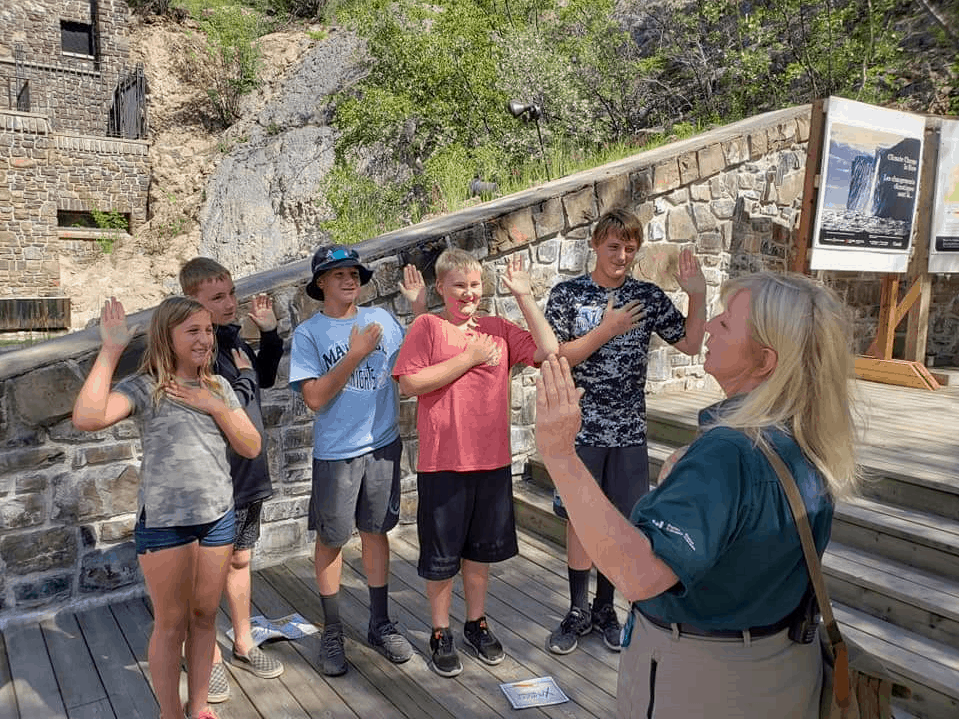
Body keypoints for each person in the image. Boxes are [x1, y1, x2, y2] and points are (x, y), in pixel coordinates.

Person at [535, 271, 860, 719]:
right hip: (780, 667)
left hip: (705, 683)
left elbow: (638, 574)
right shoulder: (805, 431)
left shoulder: (729, 452)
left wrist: (560, 454)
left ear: (765, 360)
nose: (709, 326)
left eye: (725, 322)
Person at [73, 296, 262, 719]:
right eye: (192, 331)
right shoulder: (146, 387)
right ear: (167, 336)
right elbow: (86, 418)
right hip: (165, 526)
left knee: (204, 617)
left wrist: (214, 406)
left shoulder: (219, 387)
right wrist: (110, 350)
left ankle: (198, 709)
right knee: (171, 624)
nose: (204, 339)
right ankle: (170, 713)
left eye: (208, 330)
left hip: (217, 521)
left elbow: (251, 445)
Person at [543, 208, 706, 654]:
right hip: (579, 430)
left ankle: (604, 608)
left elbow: (691, 344)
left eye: (630, 249)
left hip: (629, 432)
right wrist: (608, 328)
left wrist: (698, 295)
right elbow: (557, 358)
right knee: (580, 519)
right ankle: (576, 610)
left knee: (620, 520)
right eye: (613, 246)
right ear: (595, 244)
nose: (621, 256)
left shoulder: (646, 297)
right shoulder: (569, 295)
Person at [392, 248, 559, 678]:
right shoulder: (428, 326)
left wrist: (523, 295)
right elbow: (410, 383)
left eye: (474, 285)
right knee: (442, 557)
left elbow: (548, 349)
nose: (468, 294)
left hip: (491, 462)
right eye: (459, 286)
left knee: (480, 554)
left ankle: (476, 623)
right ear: (440, 289)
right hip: (443, 463)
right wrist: (467, 359)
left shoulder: (498, 329)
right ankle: (440, 631)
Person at [288, 245, 427, 677]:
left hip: (383, 445)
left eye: (354, 273)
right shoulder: (309, 334)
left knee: (376, 532)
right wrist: (355, 353)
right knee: (332, 538)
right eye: (338, 274)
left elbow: (417, 363)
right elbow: (313, 398)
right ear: (321, 284)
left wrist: (419, 308)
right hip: (336, 454)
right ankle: (332, 630)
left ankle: (380, 623)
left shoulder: (383, 320)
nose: (349, 279)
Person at [178, 258, 285, 702]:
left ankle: (242, 642)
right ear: (191, 303)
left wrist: (272, 334)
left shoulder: (231, 337)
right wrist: (241, 373)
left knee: (240, 561)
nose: (229, 304)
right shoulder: (194, 347)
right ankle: (208, 658)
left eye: (231, 294)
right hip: (216, 481)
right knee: (203, 575)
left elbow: (263, 379)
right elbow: (229, 400)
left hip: (247, 476)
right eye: (217, 297)